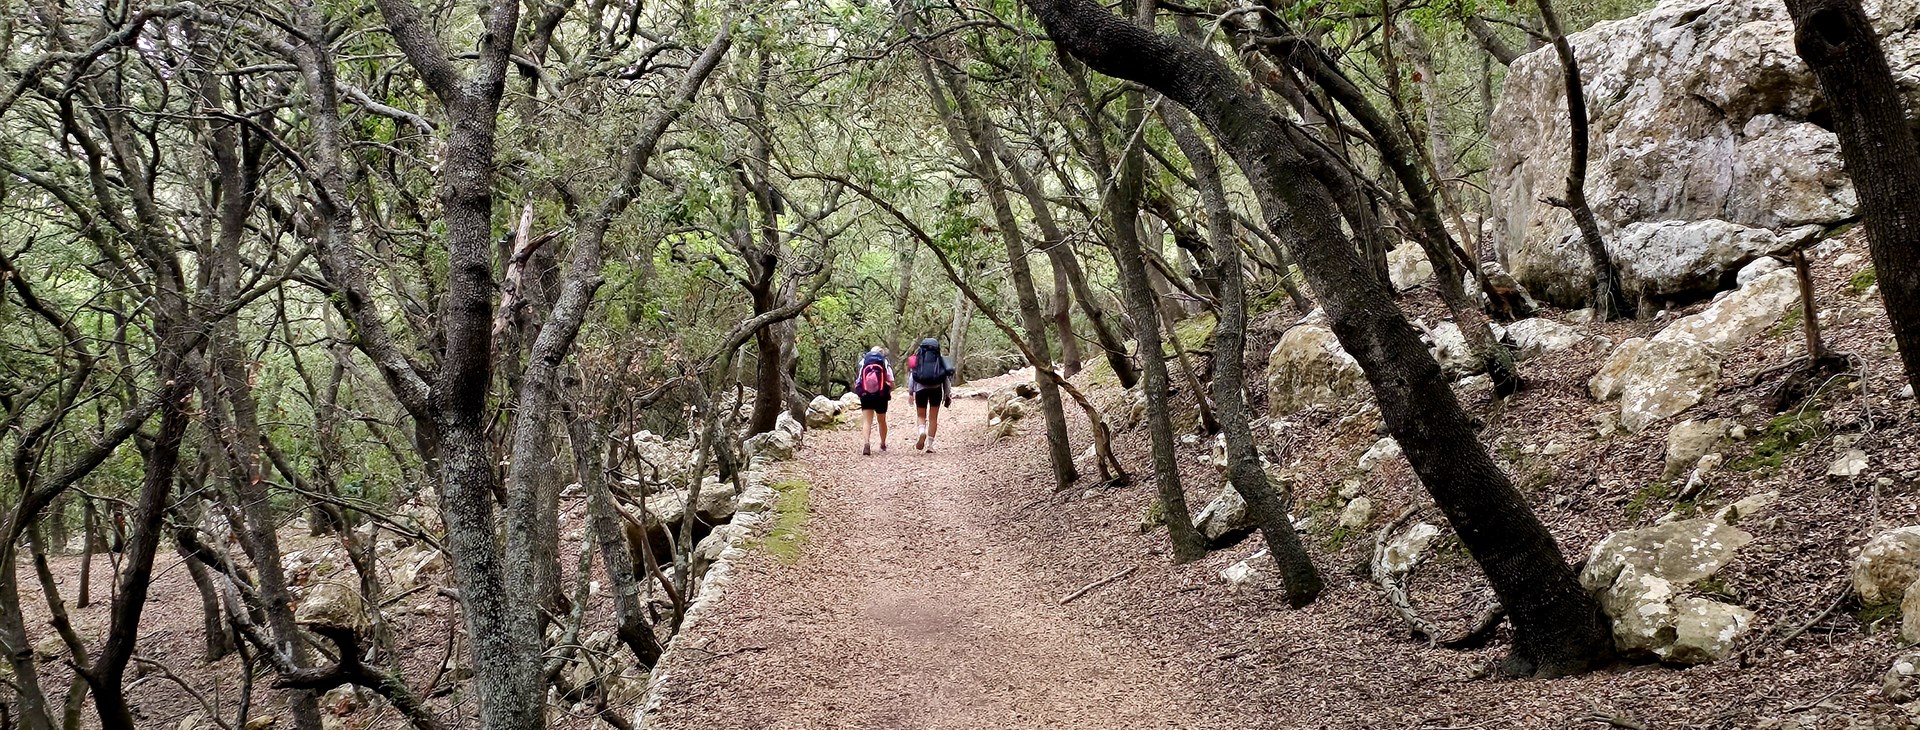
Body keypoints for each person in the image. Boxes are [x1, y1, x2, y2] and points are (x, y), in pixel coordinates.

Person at [905, 337, 954, 453]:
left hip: (921, 390)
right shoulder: (941, 360)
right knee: (933, 418)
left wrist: (911, 392)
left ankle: (922, 431)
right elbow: (946, 379)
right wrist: (947, 394)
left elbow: (912, 376)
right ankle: (930, 445)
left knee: (921, 416)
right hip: (936, 390)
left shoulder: (917, 359)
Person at [852, 346, 894, 455]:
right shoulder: (884, 362)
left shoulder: (863, 363)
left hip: (866, 395)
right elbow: (891, 382)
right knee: (882, 420)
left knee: (867, 421)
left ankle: (866, 443)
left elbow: (858, 381)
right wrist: (888, 388)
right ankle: (883, 443)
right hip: (881, 395)